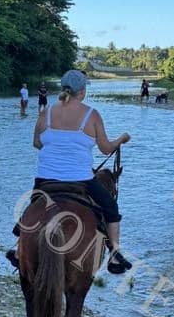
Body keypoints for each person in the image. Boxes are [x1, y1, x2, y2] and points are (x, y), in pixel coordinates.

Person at [8, 70, 132, 275]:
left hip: (45, 179)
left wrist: (57, 148)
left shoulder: (46, 112)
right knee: (111, 207)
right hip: (81, 180)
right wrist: (122, 139)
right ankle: (114, 254)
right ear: (81, 92)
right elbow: (106, 149)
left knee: (34, 205)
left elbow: (37, 143)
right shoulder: (92, 115)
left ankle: (18, 246)